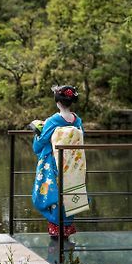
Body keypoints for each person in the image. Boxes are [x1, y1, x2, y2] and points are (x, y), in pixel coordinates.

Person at [31, 85, 85, 238]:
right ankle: (66, 230)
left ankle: (55, 231)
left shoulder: (53, 120)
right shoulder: (77, 121)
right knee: (68, 192)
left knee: (53, 194)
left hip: (54, 163)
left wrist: (37, 132)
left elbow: (39, 145)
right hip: (72, 164)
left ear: (57, 102)